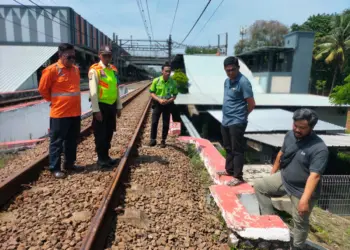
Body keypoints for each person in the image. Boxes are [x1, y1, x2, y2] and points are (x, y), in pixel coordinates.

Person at [253, 109, 329, 250]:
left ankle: (297, 247)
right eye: (295, 125)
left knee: (300, 221)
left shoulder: (319, 148)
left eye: (302, 128)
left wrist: (304, 201)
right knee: (259, 186)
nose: (297, 129)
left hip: (302, 191)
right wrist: (273, 174)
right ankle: (271, 226)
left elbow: (315, 176)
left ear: (311, 128)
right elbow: (281, 155)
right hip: (285, 178)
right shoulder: (290, 135)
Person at [39, 43, 83, 179]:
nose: (72, 59)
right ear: (60, 55)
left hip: (75, 113)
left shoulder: (75, 69)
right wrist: (54, 101)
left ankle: (69, 164)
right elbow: (43, 89)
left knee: (72, 140)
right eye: (69, 56)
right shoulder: (52, 70)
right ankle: (55, 168)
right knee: (57, 141)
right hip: (60, 114)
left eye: (73, 56)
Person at [217, 56, 255, 186]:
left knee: (237, 149)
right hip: (226, 120)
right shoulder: (226, 81)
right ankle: (229, 170)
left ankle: (238, 176)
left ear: (238, 68)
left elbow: (251, 103)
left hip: (237, 121)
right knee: (228, 147)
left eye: (232, 69)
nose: (230, 72)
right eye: (227, 70)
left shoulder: (243, 82)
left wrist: (242, 116)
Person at [88, 45, 122, 168]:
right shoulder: (94, 70)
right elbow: (93, 92)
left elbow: (116, 88)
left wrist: (119, 106)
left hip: (111, 106)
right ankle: (101, 158)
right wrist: (96, 110)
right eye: (105, 55)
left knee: (109, 132)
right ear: (99, 55)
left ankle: (106, 156)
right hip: (101, 106)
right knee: (100, 133)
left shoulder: (113, 70)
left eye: (109, 55)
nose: (107, 58)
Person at [149, 62, 178, 148]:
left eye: (169, 71)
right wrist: (159, 99)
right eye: (166, 71)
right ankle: (152, 139)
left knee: (165, 123)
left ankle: (163, 140)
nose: (168, 73)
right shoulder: (156, 81)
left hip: (167, 105)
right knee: (154, 122)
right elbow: (152, 92)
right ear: (162, 71)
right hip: (157, 104)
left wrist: (169, 101)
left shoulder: (173, 82)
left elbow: (175, 95)